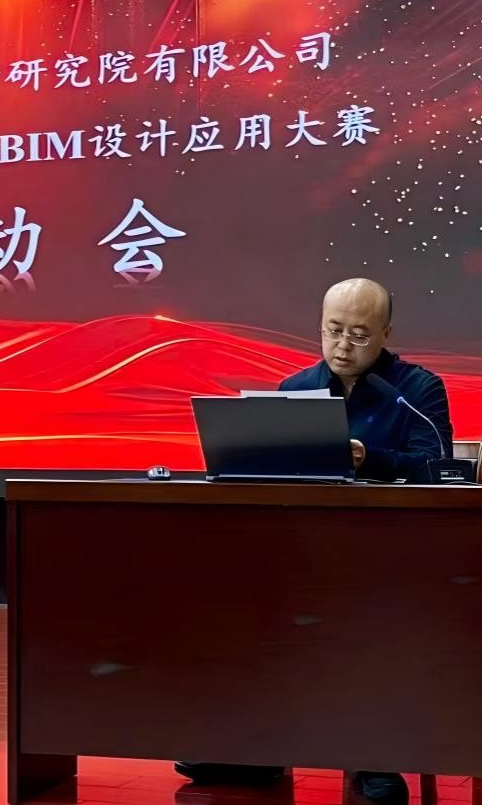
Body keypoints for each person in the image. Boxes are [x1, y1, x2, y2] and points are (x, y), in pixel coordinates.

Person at [174, 277, 453, 804]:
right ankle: (257, 749)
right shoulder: (296, 387)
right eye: (333, 330)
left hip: (390, 553)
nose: (343, 345)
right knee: (242, 609)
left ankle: (375, 754)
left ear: (386, 333)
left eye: (359, 334)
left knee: (363, 616)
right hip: (306, 550)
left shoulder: (416, 390)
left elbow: (436, 469)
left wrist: (369, 459)